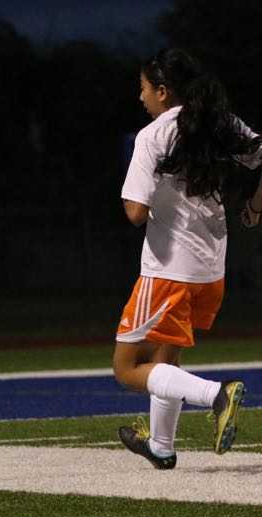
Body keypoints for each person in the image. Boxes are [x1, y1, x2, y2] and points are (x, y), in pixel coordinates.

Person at [113, 48, 262, 469]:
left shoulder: (153, 135)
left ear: (162, 91)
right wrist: (256, 206)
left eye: (143, 89)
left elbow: (135, 213)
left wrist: (141, 186)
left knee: (128, 368)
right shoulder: (220, 122)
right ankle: (161, 446)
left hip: (169, 270)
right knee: (167, 359)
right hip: (211, 268)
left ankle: (217, 395)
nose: (140, 97)